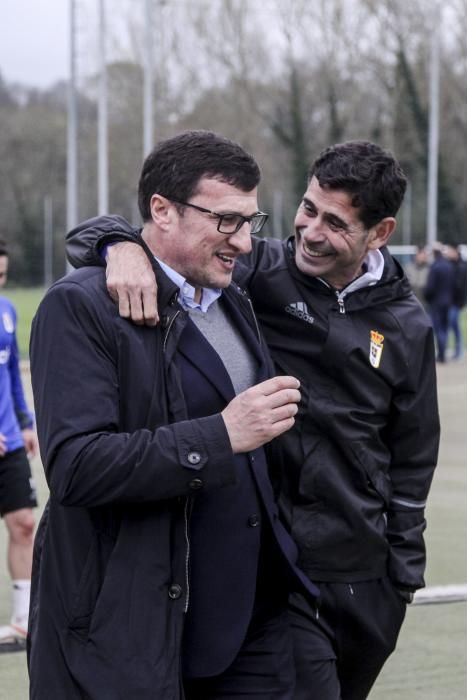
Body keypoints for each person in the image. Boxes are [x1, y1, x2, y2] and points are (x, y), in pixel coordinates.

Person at [67, 139, 440, 700]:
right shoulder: (255, 268)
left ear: (379, 234)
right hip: (280, 567)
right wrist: (117, 244)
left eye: (336, 223)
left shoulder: (408, 327)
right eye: (309, 209)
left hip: (365, 572)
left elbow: (413, 456)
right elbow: (149, 234)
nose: (311, 231)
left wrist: (402, 577)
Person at [29, 131, 318, 699]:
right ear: (161, 210)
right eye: (226, 221)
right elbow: (75, 467)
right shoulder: (80, 305)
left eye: (250, 222)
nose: (244, 242)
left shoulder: (233, 294)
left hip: (253, 622)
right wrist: (222, 435)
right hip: (136, 629)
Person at [0, 239, 38, 650]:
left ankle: (25, 621)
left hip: (9, 441)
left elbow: (10, 375)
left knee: (24, 523)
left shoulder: (6, 313)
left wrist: (26, 423)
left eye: (2, 276)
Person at [424, 242, 456, 363]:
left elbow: (430, 287)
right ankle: (443, 352)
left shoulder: (435, 267)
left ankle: (441, 354)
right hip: (448, 301)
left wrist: (428, 297)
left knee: (438, 329)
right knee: (445, 328)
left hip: (436, 302)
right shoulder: (449, 266)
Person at [444, 243, 467, 360]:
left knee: (453, 323)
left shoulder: (461, 266)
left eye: (450, 251)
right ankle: (456, 349)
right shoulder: (451, 265)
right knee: (451, 323)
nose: (447, 253)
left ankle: (459, 349)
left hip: (456, 302)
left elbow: (459, 286)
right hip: (451, 301)